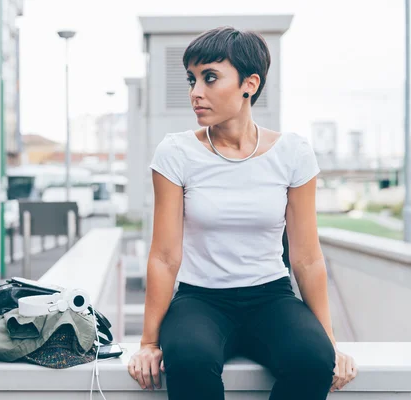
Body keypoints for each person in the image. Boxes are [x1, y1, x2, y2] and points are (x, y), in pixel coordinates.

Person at [127, 26, 357, 399]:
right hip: (199, 300)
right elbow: (165, 256)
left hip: (271, 297)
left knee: (313, 359)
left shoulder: (293, 153)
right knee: (188, 360)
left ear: (249, 83)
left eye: (210, 77)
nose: (195, 92)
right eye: (192, 79)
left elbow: (307, 257)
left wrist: (328, 340)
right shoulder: (175, 153)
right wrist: (148, 342)